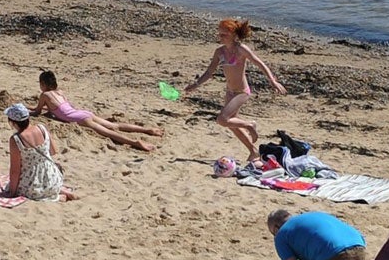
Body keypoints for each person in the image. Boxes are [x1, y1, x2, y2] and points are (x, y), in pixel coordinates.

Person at [179, 17, 285, 159]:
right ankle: (253, 151)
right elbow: (210, 71)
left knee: (222, 120)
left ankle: (249, 125)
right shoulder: (219, 52)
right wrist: (196, 84)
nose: (220, 37)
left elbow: (260, 63)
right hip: (229, 91)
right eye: (219, 34)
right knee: (232, 124)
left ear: (234, 36)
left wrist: (272, 81)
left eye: (224, 35)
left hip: (242, 92)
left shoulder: (241, 49)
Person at [32, 68, 161, 150]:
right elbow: (61, 109)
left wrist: (28, 110)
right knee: (113, 125)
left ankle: (135, 142)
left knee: (109, 133)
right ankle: (147, 130)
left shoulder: (45, 95)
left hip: (78, 119)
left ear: (43, 84)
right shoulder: (60, 92)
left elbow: (37, 112)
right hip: (81, 113)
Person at [4, 103, 72, 200]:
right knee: (50, 186)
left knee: (17, 189)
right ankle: (60, 191)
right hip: (52, 176)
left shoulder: (16, 139)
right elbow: (53, 151)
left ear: (13, 122)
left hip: (33, 182)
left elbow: (15, 170)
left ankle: (60, 197)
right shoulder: (42, 128)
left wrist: (12, 192)